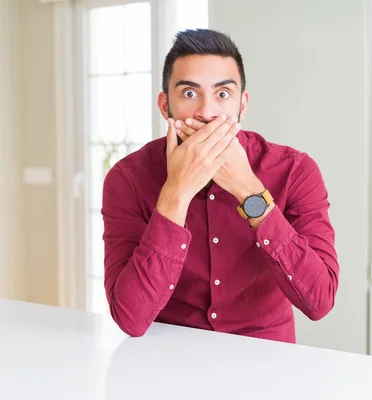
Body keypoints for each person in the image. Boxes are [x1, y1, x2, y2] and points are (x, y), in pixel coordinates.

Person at [101, 28, 339, 343]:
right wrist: (176, 193)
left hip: (267, 361)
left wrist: (249, 191)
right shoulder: (127, 178)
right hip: (165, 359)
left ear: (243, 104)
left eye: (223, 94)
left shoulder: (296, 171)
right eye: (189, 93)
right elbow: (130, 318)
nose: (208, 112)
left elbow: (319, 301)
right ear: (164, 105)